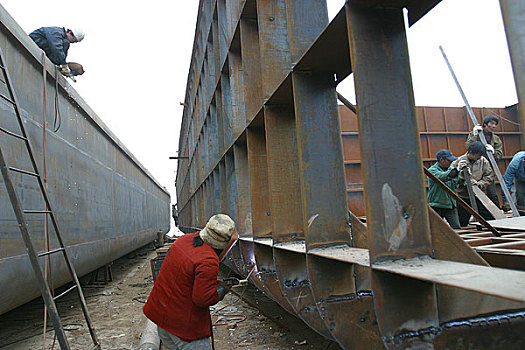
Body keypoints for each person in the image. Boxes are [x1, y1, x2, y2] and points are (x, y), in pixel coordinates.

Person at [143, 214, 236, 350]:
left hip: (162, 319)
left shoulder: (183, 240)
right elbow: (202, 299)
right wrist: (221, 289)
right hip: (184, 331)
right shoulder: (208, 260)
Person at [451, 141, 495, 227]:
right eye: (478, 155)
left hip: (479, 195)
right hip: (463, 196)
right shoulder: (459, 162)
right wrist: (460, 175)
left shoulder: (483, 161)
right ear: (471, 153)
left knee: (489, 218)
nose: (479, 157)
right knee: (462, 222)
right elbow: (451, 178)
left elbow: (489, 175)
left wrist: (480, 184)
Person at [465, 115, 503, 207]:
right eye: (491, 123)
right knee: (473, 192)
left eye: (495, 124)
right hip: (475, 167)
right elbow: (468, 147)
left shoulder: (496, 139)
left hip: (488, 169)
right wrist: (475, 135)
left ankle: (497, 214)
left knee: (492, 193)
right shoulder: (476, 133)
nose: (493, 126)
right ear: (485, 124)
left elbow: (499, 155)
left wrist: (493, 152)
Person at [427, 149, 461, 229]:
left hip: (450, 205)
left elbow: (458, 180)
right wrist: (455, 171)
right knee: (435, 229)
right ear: (441, 160)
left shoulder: (450, 170)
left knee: (457, 228)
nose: (450, 163)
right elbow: (443, 177)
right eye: (449, 161)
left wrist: (461, 173)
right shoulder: (432, 170)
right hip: (437, 205)